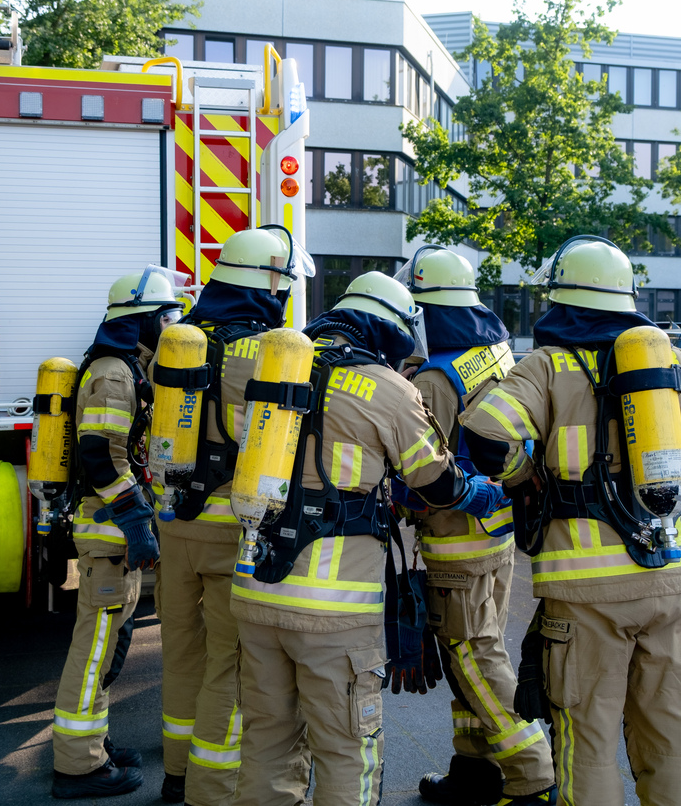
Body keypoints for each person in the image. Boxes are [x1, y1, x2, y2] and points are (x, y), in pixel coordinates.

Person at [459, 235, 681, 806]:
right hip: (675, 578)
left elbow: (485, 436)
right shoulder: (677, 362)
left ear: (562, 300)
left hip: (587, 589)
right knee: (670, 739)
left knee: (588, 743)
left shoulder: (546, 367)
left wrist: (527, 475)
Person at [230, 271, 508, 806]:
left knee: (266, 744)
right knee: (346, 750)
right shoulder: (387, 388)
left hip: (254, 589)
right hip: (333, 609)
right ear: (392, 331)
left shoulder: (274, 367)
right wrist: (479, 494)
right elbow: (435, 480)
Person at [153, 226, 313, 805]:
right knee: (230, 661)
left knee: (181, 649)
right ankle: (213, 786)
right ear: (269, 282)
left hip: (174, 520)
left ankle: (176, 770)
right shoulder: (267, 351)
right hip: (231, 526)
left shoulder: (181, 338)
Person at [398, 247, 556, 806]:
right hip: (496, 532)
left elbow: (419, 473)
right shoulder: (494, 353)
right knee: (474, 654)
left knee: (471, 655)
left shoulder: (435, 379)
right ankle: (475, 769)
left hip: (454, 543)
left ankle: (533, 773)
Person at [50, 266, 184, 800]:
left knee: (109, 648)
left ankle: (94, 745)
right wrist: (134, 520)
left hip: (114, 534)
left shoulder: (127, 367)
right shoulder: (113, 374)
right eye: (165, 318)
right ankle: (77, 767)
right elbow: (100, 457)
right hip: (108, 532)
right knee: (93, 651)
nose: (171, 327)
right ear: (142, 319)